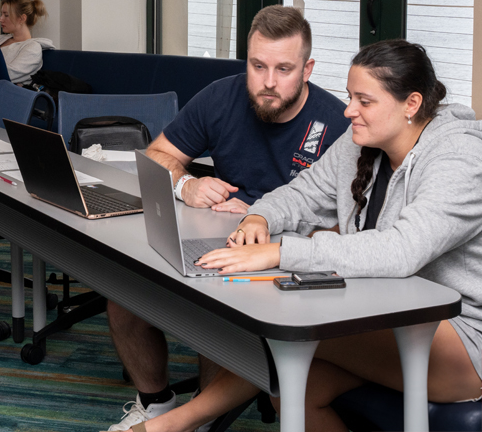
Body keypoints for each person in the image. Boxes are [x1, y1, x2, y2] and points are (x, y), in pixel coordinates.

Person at [130, 39, 482, 432]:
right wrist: (258, 219)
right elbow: (301, 193)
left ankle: (169, 426)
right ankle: (173, 426)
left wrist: (279, 252)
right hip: (385, 310)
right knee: (295, 391)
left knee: (290, 329)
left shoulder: (460, 156)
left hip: (459, 334)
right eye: (350, 97)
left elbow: (402, 250)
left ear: (411, 105)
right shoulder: (360, 140)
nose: (349, 112)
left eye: (364, 101)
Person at [106, 5, 350, 431]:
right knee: (124, 296)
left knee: (211, 315)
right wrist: (188, 185)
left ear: (307, 69)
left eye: (284, 69)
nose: (268, 82)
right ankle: (157, 403)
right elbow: (158, 155)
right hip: (216, 235)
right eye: (258, 66)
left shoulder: (337, 123)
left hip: (282, 258)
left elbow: (346, 228)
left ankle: (199, 416)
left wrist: (266, 220)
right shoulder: (223, 96)